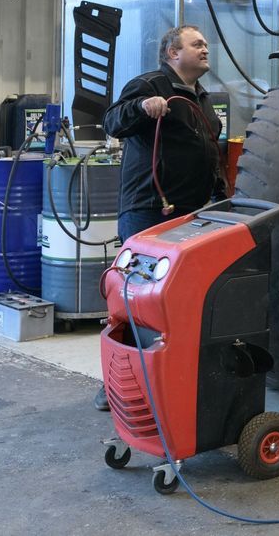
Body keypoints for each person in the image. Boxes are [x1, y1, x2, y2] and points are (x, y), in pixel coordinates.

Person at [94, 24, 225, 410]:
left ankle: (168, 381)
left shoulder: (202, 98)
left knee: (176, 301)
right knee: (137, 300)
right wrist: (141, 107)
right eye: (197, 44)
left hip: (191, 217)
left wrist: (220, 197)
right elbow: (112, 121)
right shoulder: (150, 84)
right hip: (148, 211)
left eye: (206, 44)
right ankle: (118, 383)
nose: (205, 48)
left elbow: (209, 152)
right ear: (173, 53)